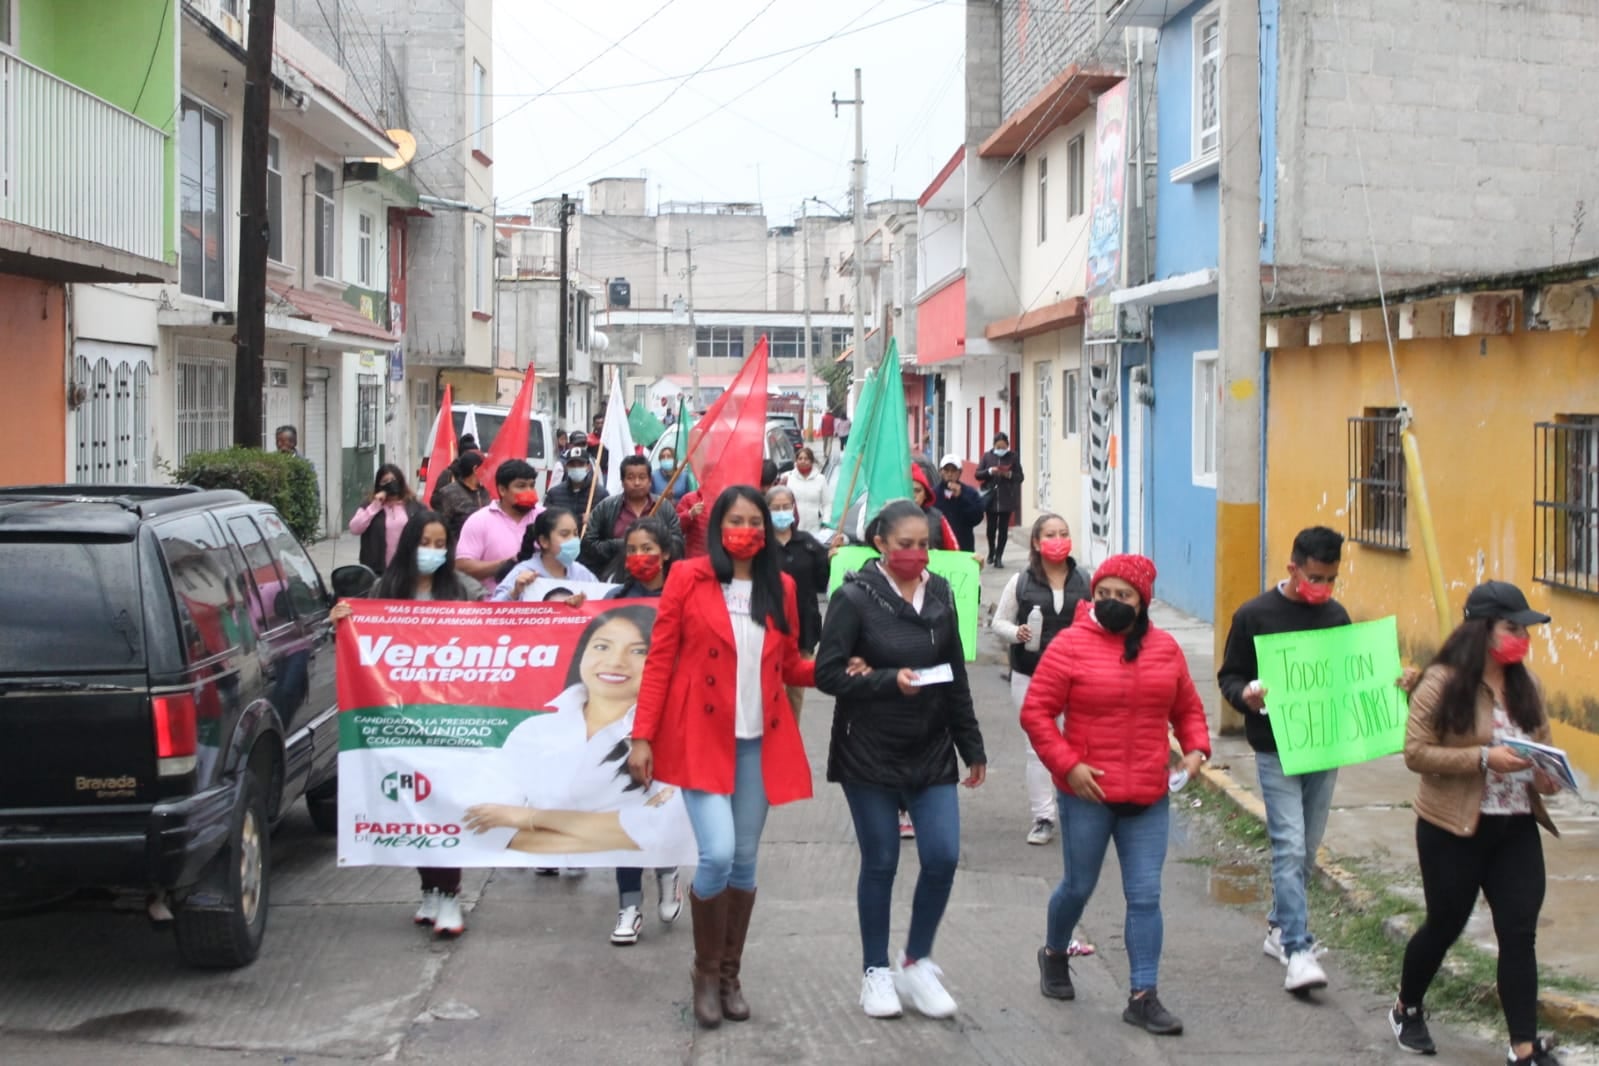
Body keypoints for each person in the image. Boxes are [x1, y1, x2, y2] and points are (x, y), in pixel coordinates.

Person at [627, 486, 817, 1029]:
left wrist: (832, 668)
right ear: (717, 527)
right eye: (736, 520)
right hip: (701, 739)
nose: (748, 530)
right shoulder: (688, 577)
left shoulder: (779, 586)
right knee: (717, 854)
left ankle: (730, 975)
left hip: (759, 740)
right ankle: (704, 971)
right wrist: (642, 737)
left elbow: (787, 665)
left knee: (746, 860)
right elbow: (660, 661)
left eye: (756, 522)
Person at [1019, 554, 1210, 1037]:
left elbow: (1188, 708)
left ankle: (1142, 995)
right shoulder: (1069, 646)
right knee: (1078, 887)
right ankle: (1054, 952)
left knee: (1145, 896)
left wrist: (1195, 750)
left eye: (1123, 596)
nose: (1111, 603)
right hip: (1088, 792)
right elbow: (1037, 713)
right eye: (1103, 594)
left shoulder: (1166, 649)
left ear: (1142, 602)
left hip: (1147, 793)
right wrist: (1068, 766)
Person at [815, 499, 987, 1020]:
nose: (916, 554)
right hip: (867, 749)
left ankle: (916, 960)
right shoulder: (854, 597)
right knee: (883, 861)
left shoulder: (939, 592)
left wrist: (971, 745)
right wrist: (889, 679)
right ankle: (876, 973)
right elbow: (828, 674)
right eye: (906, 545)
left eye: (924, 545)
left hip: (930, 747)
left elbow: (954, 669)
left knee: (941, 856)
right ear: (882, 545)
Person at [1391, 582, 1563, 1065]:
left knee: (1518, 933)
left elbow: (1542, 749)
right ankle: (1408, 1006)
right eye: (1513, 628)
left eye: (1525, 629)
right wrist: (1485, 758)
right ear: (1483, 629)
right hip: (1452, 829)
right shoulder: (1442, 682)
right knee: (1445, 925)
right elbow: (1416, 754)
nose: (1522, 638)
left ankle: (1523, 1048)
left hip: (1515, 827)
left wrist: (1549, 777)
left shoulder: (1528, 686)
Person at [462, 606, 690, 945]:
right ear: (582, 653)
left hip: (647, 834)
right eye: (602, 646)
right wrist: (604, 829)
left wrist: (529, 818)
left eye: (638, 650)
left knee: (647, 831)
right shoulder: (534, 731)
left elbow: (646, 827)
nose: (616, 661)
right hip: (589, 844)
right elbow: (496, 830)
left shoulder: (671, 728)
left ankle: (662, 874)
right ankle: (632, 906)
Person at [331, 510, 484, 937]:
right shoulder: (386, 590)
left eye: (441, 545)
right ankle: (430, 890)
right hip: (400, 719)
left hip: (451, 720)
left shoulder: (465, 591)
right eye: (425, 543)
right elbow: (358, 642)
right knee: (414, 807)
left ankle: (451, 895)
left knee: (447, 806)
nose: (433, 552)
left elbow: (500, 634)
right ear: (409, 545)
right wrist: (342, 621)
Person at [1217, 525, 1352, 994]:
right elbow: (1230, 676)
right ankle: (1297, 948)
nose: (1324, 588)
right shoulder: (1255, 615)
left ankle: (1278, 927)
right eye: (1316, 577)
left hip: (1324, 746)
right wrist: (1246, 696)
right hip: (1276, 748)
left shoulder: (1336, 616)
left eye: (1332, 578)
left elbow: (1349, 676)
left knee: (1307, 848)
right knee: (1290, 845)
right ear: (1293, 567)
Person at [992, 514, 1091, 850]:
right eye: (1050, 534)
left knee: (1074, 743)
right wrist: (1016, 633)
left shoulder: (1085, 581)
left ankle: (1077, 812)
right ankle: (1044, 817)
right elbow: (999, 622)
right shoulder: (1020, 582)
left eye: (1064, 533)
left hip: (1076, 676)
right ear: (1036, 542)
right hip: (1030, 673)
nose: (1058, 539)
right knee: (1037, 748)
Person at [766, 486, 831, 723]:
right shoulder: (761, 546)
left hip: (803, 628)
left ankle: (790, 738)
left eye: (786, 507)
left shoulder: (808, 544)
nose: (782, 512)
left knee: (795, 694)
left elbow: (822, 583)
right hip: (769, 627)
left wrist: (830, 559)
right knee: (771, 690)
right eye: (776, 508)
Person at [582, 455, 685, 576]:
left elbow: (678, 543)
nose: (637, 483)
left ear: (650, 481)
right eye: (631, 478)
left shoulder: (664, 507)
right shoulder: (605, 507)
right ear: (622, 481)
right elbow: (588, 545)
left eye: (642, 477)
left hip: (656, 578)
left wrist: (651, 548)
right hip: (616, 576)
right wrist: (621, 545)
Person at [454, 459, 543, 597]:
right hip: (493, 608)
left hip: (539, 608)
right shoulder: (480, 521)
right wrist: (509, 563)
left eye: (532, 486)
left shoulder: (544, 517)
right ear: (502, 490)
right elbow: (462, 566)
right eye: (521, 486)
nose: (529, 491)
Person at [494, 508, 601, 601]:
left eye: (575, 534)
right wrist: (515, 593)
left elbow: (602, 599)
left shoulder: (581, 573)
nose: (573, 540)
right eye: (564, 534)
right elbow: (492, 610)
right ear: (544, 541)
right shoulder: (523, 572)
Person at [349, 464, 425, 576]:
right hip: (378, 571)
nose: (390, 484)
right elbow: (354, 528)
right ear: (379, 485)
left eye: (393, 480)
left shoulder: (413, 506)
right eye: (385, 481)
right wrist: (375, 505)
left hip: (407, 570)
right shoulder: (370, 505)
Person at [976, 432, 1025, 568]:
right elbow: (977, 474)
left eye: (1003, 447)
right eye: (998, 447)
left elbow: (1020, 477)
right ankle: (991, 550)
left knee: (1003, 529)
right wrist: (989, 472)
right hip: (990, 498)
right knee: (991, 528)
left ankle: (999, 556)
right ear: (994, 446)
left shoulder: (1013, 457)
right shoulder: (987, 456)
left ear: (1008, 446)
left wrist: (1008, 474)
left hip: (1006, 498)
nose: (1001, 450)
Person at [606, 517, 676, 601]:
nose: (638, 555)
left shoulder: (682, 599)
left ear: (665, 553)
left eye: (647, 549)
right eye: (632, 550)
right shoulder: (614, 597)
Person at [931, 455, 985, 554]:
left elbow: (977, 517)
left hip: (963, 547)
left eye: (953, 471)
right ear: (940, 471)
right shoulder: (932, 494)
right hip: (939, 549)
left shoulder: (970, 493)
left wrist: (961, 497)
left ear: (960, 472)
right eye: (946, 470)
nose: (950, 474)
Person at [545, 446, 608, 531]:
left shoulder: (601, 495)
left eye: (580, 464)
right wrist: (580, 519)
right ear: (566, 467)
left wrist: (595, 520)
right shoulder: (554, 494)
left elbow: (608, 524)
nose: (576, 468)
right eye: (572, 465)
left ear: (588, 466)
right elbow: (545, 521)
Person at [435, 451, 491, 541]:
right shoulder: (448, 493)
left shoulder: (487, 492)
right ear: (475, 469)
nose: (487, 472)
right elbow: (441, 525)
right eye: (485, 468)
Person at [909, 464, 961, 551]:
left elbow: (955, 552)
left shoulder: (938, 518)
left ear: (925, 494)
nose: (913, 495)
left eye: (917, 491)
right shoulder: (891, 518)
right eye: (909, 491)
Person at [783, 446, 832, 531]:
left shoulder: (820, 479)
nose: (803, 461)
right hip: (794, 528)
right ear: (796, 460)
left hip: (815, 528)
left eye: (806, 459)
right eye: (800, 458)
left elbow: (827, 503)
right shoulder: (788, 478)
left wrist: (826, 521)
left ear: (811, 461)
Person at [677, 487, 710, 558]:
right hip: (694, 557)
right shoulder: (689, 498)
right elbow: (677, 527)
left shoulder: (724, 500)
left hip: (718, 558)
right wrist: (690, 514)